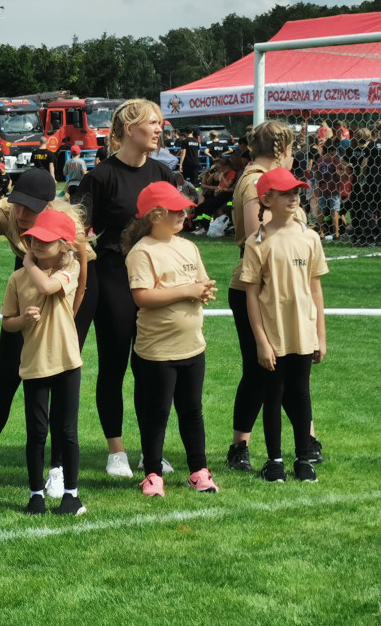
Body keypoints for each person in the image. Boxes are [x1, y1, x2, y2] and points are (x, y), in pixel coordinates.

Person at [72, 99, 173, 478]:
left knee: (153, 369)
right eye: (152, 122)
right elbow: (76, 231)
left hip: (157, 279)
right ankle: (116, 450)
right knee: (114, 367)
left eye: (160, 123)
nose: (159, 129)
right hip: (113, 279)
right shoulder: (100, 177)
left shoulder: (163, 174)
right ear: (129, 129)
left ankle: (152, 451)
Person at [0, 168, 68, 493]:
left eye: (30, 207)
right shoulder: (4, 212)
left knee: (57, 382)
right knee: (5, 378)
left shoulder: (63, 219)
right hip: (24, 278)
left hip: (62, 284)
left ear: (48, 206)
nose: (21, 213)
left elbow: (83, 267)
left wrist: (71, 316)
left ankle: (59, 469)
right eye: (18, 203)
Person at [223, 121, 323, 471]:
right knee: (262, 371)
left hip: (280, 287)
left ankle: (302, 440)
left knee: (284, 371)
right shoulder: (256, 182)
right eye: (292, 150)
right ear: (281, 150)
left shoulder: (271, 180)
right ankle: (244, 446)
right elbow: (257, 236)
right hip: (259, 288)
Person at [123, 183, 218, 497]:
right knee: (157, 413)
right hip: (157, 351)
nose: (184, 213)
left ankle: (199, 471)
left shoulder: (188, 247)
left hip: (192, 345)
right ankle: (152, 474)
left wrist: (203, 290)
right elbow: (142, 297)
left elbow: (199, 281)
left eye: (184, 208)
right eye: (176, 209)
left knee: (192, 411)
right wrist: (189, 291)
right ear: (154, 215)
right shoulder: (142, 252)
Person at [241, 168, 328, 483]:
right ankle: (274, 461)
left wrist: (320, 335)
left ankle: (303, 460)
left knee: (301, 393)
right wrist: (261, 341)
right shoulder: (258, 242)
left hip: (302, 330)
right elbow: (251, 295)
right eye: (285, 192)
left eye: (296, 191)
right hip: (273, 331)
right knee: (273, 393)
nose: (293, 197)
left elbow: (315, 289)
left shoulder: (310, 237)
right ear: (267, 199)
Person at [0, 208, 88, 516]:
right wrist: (22, 318)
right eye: (33, 239)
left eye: (45, 241)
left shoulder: (71, 268)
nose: (36, 245)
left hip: (66, 362)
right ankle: (36, 494)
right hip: (35, 363)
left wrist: (27, 263)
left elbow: (48, 288)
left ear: (64, 245)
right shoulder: (17, 280)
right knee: (36, 432)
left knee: (66, 431)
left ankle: (71, 496)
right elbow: (7, 322)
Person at [314, 141, 344, 240]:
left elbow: (316, 174)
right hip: (333, 189)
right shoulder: (335, 160)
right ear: (332, 150)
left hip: (322, 189)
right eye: (335, 151)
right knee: (334, 211)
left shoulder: (319, 160)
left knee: (321, 211)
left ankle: (321, 232)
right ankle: (336, 234)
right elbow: (339, 174)